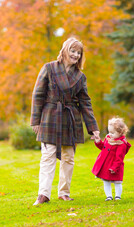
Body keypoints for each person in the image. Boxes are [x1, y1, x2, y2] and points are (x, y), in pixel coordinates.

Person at [30, 37, 100, 205]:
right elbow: (37, 95)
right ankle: (43, 194)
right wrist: (35, 120)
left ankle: (64, 192)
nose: (75, 55)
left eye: (79, 52)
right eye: (73, 51)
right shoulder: (48, 68)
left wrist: (93, 128)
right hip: (50, 116)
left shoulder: (80, 77)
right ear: (65, 50)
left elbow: (85, 103)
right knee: (48, 156)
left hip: (70, 119)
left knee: (68, 157)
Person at [92, 117, 131, 201]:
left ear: (120, 132)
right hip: (106, 164)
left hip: (115, 166)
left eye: (112, 132)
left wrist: (114, 167)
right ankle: (109, 196)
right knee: (106, 181)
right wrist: (98, 141)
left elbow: (119, 158)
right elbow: (103, 148)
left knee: (117, 182)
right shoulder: (109, 138)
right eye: (109, 132)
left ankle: (118, 196)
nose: (110, 134)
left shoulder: (121, 144)